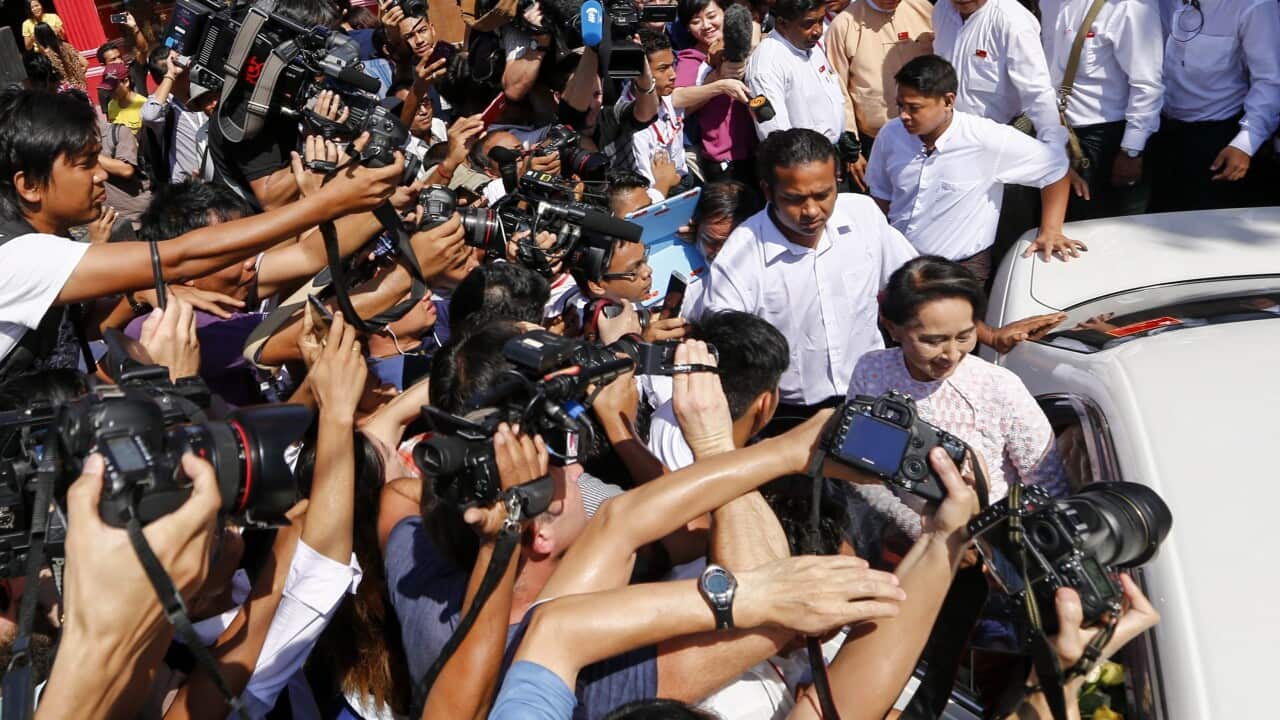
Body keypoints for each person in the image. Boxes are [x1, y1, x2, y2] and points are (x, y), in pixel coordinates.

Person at [0, 87, 401, 375]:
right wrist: (327, 203)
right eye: (86, 164)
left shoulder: (41, 246)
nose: (102, 173)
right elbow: (180, 256)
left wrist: (139, 296)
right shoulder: (19, 258)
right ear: (29, 185)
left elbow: (86, 328)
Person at [848, 255, 1070, 537]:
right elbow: (861, 472)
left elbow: (1047, 484)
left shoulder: (998, 386)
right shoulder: (872, 371)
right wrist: (921, 532)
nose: (951, 355)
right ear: (892, 328)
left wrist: (999, 545)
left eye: (964, 337)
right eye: (932, 341)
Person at [866, 55, 1083, 286]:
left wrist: (1051, 230)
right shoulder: (890, 134)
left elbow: (1055, 168)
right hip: (898, 267)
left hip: (960, 274)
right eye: (900, 105)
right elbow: (880, 196)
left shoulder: (988, 139)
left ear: (948, 101)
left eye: (914, 108)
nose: (903, 116)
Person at [1147, 0, 1280, 212]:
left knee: (1208, 227)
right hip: (1159, 135)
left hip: (1217, 143)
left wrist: (1244, 144)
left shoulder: (1254, 5)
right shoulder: (1160, 3)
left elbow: (1269, 81)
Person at [1040, 0, 1164, 220]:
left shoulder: (1128, 7)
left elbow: (1147, 86)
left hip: (1106, 144)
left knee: (1108, 231)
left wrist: (1131, 150)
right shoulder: (1050, 3)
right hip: (1055, 137)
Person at [745, 0, 858, 186]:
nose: (818, 31)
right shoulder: (766, 66)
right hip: (806, 173)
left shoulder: (812, 46)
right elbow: (776, 137)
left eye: (821, 21)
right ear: (782, 23)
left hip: (833, 160)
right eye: (808, 24)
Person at [932, 0, 1065, 146]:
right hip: (949, 137)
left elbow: (1037, 92)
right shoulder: (941, 10)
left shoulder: (1012, 20)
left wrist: (1054, 149)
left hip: (1000, 140)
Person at [825, 0, 934, 159]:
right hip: (876, 141)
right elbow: (838, 90)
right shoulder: (843, 25)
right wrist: (853, 147)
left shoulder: (923, 9)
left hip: (929, 134)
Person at [674, 0, 758, 186]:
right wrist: (717, 81)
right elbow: (677, 99)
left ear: (726, 14)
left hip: (756, 148)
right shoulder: (691, 58)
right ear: (687, 28)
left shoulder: (750, 41)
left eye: (712, 16)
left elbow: (755, 26)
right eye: (696, 21)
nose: (706, 25)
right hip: (722, 156)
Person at [32, 23, 85, 92]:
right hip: (80, 88)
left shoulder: (47, 55)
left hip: (64, 91)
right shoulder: (66, 46)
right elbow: (85, 63)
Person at [102, 62, 148, 133]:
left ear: (126, 82)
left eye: (114, 87)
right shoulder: (111, 105)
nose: (110, 91)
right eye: (108, 87)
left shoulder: (143, 105)